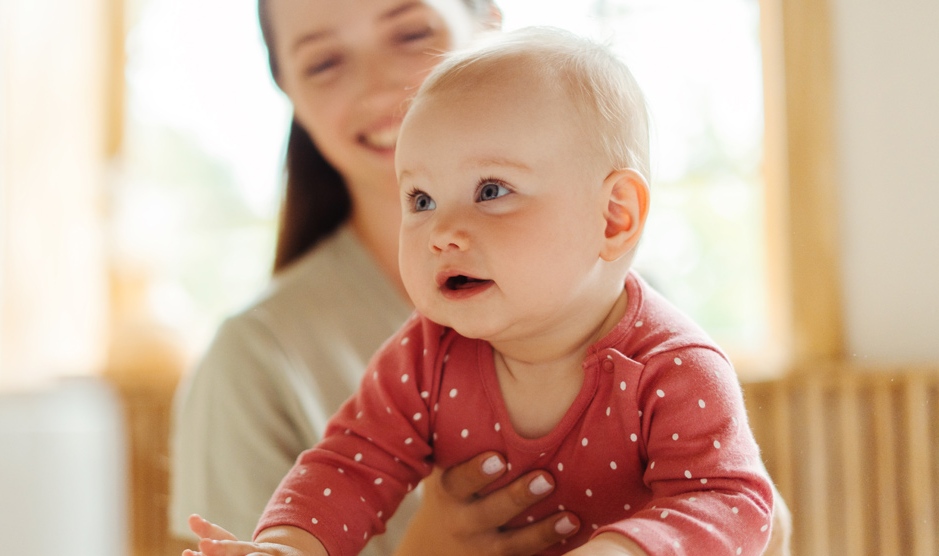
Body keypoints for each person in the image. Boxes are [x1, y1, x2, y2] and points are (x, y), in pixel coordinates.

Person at [182, 27, 775, 556]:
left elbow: (729, 500)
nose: (441, 232)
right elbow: (350, 465)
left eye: (492, 190)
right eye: (420, 200)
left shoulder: (672, 367)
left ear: (614, 217)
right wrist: (287, 546)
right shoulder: (426, 355)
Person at [168, 2, 594, 555]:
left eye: (412, 33)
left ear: (490, 24)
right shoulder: (253, 362)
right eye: (323, 63)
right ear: (288, 93)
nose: (381, 90)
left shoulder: (624, 299)